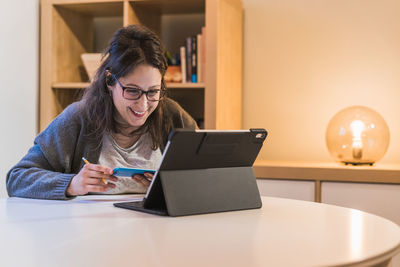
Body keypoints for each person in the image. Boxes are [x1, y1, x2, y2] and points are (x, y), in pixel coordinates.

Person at [6, 25, 197, 200]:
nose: (143, 104)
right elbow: (17, 178)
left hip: (157, 233)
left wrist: (168, 188)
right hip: (90, 232)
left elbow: (207, 176)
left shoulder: (173, 116)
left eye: (153, 91)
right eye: (132, 90)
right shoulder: (78, 118)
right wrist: (72, 184)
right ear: (109, 81)